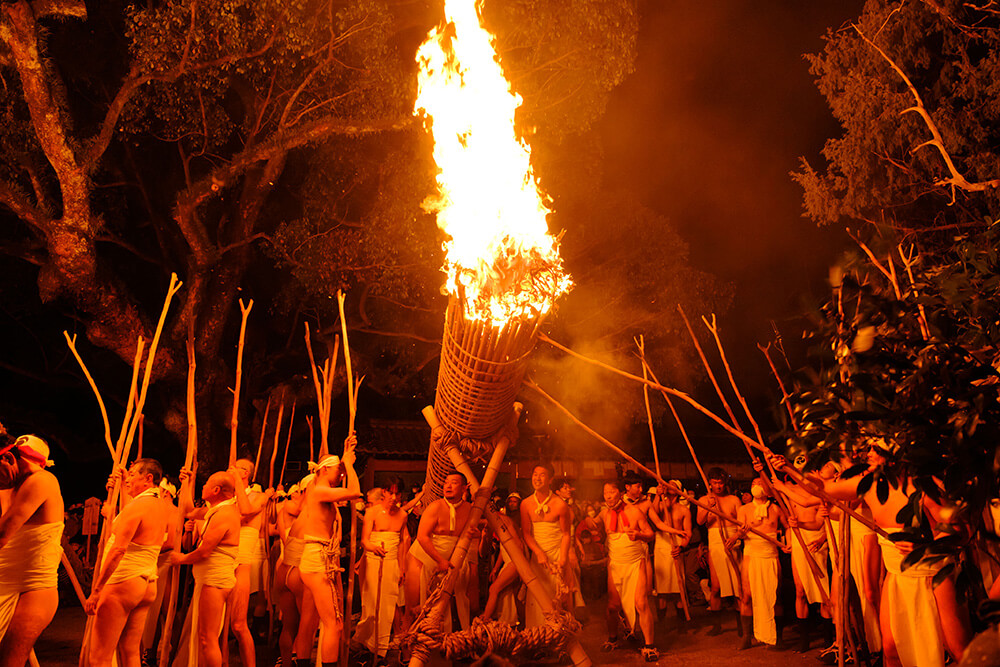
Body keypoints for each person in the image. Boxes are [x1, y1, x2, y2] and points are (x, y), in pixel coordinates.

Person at [769, 439, 971, 667]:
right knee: (890, 649)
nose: (869, 454)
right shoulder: (871, 486)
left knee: (957, 647)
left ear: (897, 454)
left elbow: (959, 530)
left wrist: (926, 546)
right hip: (897, 574)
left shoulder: (924, 488)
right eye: (869, 449)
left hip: (933, 573)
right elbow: (821, 490)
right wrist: (788, 468)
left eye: (876, 450)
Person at [86, 458, 169, 667]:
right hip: (146, 583)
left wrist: (97, 590)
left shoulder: (138, 507)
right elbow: (131, 518)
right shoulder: (160, 505)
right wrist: (123, 483)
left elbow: (118, 549)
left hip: (124, 581)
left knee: (99, 657)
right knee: (130, 651)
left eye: (133, 475)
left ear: (148, 478)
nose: (129, 479)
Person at [293, 435, 361, 667]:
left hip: (312, 558)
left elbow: (328, 463)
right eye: (337, 470)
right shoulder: (320, 489)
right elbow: (355, 491)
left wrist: (345, 454)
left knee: (309, 622)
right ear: (324, 470)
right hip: (317, 561)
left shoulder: (315, 486)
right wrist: (349, 464)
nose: (340, 474)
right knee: (335, 624)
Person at [0, 435, 64, 667]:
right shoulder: (7, 484)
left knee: (8, 661)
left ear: (9, 458)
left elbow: (2, 533)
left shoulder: (42, 481)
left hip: (33, 588)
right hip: (4, 579)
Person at [169, 468, 242, 667]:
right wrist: (187, 483)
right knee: (203, 638)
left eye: (207, 484)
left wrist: (181, 559)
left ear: (216, 490)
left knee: (207, 638)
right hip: (208, 579)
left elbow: (204, 552)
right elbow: (188, 511)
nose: (203, 487)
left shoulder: (225, 514)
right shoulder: (215, 511)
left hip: (215, 581)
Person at [405, 472, 472, 632]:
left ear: (463, 488)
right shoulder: (435, 507)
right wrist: (439, 560)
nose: (448, 486)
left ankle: (446, 638)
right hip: (423, 555)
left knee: (449, 601)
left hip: (451, 556)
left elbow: (470, 531)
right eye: (446, 482)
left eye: (453, 482)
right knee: (414, 605)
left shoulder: (469, 509)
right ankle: (407, 640)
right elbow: (422, 537)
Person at [600, 479, 658, 662]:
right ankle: (612, 639)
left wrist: (639, 534)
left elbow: (651, 534)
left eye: (611, 492)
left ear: (620, 492)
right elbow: (593, 526)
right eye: (605, 493)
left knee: (641, 603)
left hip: (635, 562)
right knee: (612, 606)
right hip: (615, 563)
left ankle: (649, 645)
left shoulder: (634, 511)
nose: (608, 496)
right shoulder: (604, 514)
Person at [727, 475, 787, 650]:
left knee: (775, 596)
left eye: (760, 483)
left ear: (767, 488)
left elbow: (788, 527)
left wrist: (788, 542)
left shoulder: (776, 509)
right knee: (746, 596)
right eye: (753, 484)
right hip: (751, 553)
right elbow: (740, 533)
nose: (756, 486)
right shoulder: (744, 509)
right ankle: (747, 637)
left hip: (771, 554)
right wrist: (740, 533)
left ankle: (777, 637)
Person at [357, 476, 410, 665]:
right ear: (384, 492)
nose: (394, 497)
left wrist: (402, 567)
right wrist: (373, 548)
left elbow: (403, 542)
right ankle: (366, 644)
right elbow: (364, 540)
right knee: (371, 604)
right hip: (373, 560)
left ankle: (381, 650)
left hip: (392, 562)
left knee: (389, 606)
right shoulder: (372, 512)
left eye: (397, 493)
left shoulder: (402, 515)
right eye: (390, 492)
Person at [227, 458, 273, 667]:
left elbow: (245, 511)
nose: (231, 470)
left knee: (238, 622)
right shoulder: (227, 496)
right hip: (221, 558)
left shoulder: (258, 496)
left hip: (243, 558)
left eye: (235, 468)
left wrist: (237, 482)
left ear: (245, 473)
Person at [521, 463, 572, 627]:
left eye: (542, 475)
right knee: (536, 598)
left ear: (550, 480)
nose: (537, 478)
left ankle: (559, 637)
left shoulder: (560, 504)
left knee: (558, 599)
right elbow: (526, 534)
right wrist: (538, 552)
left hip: (557, 557)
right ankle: (537, 637)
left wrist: (563, 560)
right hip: (538, 558)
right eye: (535, 474)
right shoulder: (526, 504)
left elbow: (566, 534)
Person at [696, 467, 742, 636]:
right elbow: (700, 521)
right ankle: (717, 625)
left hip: (732, 540)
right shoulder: (704, 499)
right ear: (709, 483)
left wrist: (735, 537)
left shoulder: (734, 500)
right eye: (715, 483)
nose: (718, 486)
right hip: (715, 541)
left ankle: (741, 625)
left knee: (737, 586)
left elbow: (742, 523)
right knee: (715, 587)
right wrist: (709, 507)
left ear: (725, 483)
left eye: (720, 483)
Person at [649, 480, 691, 622]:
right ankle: (662, 623)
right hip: (661, 545)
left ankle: (681, 624)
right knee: (662, 588)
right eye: (668, 484)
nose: (669, 486)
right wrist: (657, 495)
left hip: (676, 546)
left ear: (679, 490)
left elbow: (688, 532)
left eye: (673, 484)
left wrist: (681, 547)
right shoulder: (661, 505)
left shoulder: (684, 510)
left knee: (678, 586)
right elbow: (653, 515)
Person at [481, 492, 523, 625]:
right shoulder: (494, 522)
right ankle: (507, 621)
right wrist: (495, 569)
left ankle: (485, 620)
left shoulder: (504, 520)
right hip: (508, 560)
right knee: (505, 593)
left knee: (494, 589)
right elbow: (503, 549)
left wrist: (520, 565)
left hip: (515, 560)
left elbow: (519, 545)